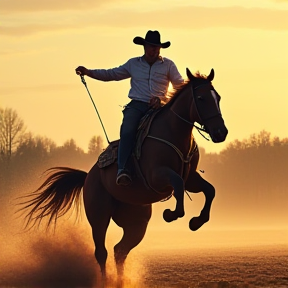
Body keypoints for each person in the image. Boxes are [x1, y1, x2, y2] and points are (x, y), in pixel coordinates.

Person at [76, 30, 184, 186]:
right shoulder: (133, 64)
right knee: (127, 131)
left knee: (179, 129)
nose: (154, 50)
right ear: (145, 47)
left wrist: (162, 100)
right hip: (137, 105)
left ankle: (184, 164)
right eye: (151, 46)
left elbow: (179, 87)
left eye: (157, 47)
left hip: (160, 108)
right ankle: (122, 169)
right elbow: (111, 74)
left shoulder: (168, 65)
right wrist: (88, 72)